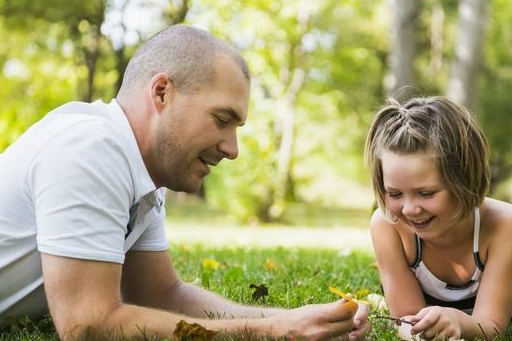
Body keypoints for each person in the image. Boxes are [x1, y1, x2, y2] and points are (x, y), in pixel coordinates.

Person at [0, 25, 369, 341]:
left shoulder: (139, 173)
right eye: (222, 119)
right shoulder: (93, 148)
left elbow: (162, 294)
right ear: (162, 92)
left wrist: (291, 320)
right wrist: (269, 332)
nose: (233, 149)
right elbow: (87, 324)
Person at [365, 96, 512, 340]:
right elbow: (406, 318)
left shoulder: (504, 226)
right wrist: (418, 330)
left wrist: (458, 322)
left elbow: (492, 326)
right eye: (395, 193)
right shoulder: (387, 226)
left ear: (465, 180)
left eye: (426, 193)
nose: (410, 209)